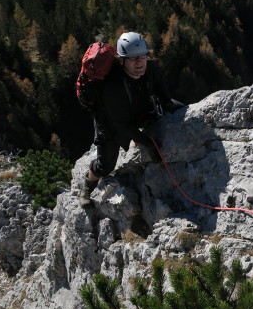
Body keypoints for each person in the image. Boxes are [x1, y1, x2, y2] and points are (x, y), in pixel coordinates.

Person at [79, 31, 184, 207]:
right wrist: (148, 143)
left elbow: (159, 85)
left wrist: (168, 104)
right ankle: (87, 186)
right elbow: (121, 126)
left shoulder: (150, 67)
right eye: (133, 58)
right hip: (111, 122)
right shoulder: (113, 87)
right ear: (121, 60)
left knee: (179, 108)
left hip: (138, 108)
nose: (140, 62)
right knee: (105, 166)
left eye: (142, 56)